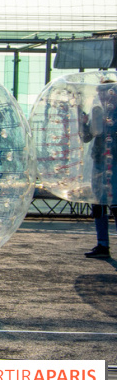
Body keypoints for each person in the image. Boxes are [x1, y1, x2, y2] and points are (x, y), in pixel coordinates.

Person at [78, 79, 117, 260]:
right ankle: (102, 244)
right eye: (99, 92)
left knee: (115, 202)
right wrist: (83, 123)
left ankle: (103, 244)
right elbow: (87, 137)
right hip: (99, 162)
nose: (101, 96)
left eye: (105, 92)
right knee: (99, 203)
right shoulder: (98, 112)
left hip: (114, 162)